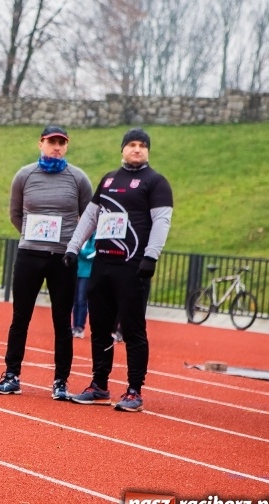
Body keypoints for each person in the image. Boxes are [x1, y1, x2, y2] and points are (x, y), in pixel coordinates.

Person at [63, 128, 173, 412]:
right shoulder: (109, 180)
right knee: (99, 328)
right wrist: (73, 247)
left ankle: (134, 391)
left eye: (142, 146)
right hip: (103, 264)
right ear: (122, 149)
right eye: (132, 145)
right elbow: (91, 215)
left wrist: (151, 256)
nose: (137, 149)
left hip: (133, 266)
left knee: (134, 331)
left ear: (147, 151)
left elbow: (162, 221)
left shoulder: (156, 182)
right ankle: (99, 385)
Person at [0, 125, 93, 401]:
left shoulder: (79, 178)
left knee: (62, 321)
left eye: (61, 143)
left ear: (67, 146)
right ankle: (11, 375)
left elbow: (89, 218)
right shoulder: (24, 176)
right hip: (29, 255)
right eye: (51, 142)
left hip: (63, 259)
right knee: (20, 317)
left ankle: (61, 381)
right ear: (41, 144)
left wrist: (72, 245)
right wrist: (31, 236)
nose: (56, 147)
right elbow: (15, 213)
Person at [72, 232, 96, 338]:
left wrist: (80, 251)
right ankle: (74, 325)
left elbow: (93, 253)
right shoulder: (80, 235)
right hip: (76, 271)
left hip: (86, 273)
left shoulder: (94, 235)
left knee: (82, 300)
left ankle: (80, 327)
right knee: (74, 300)